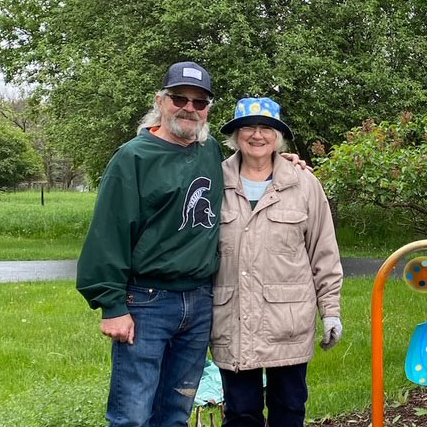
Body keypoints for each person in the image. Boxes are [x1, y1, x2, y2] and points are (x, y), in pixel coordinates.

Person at [77, 61, 223, 427]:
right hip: (146, 301)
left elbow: (254, 166)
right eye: (179, 98)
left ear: (207, 110)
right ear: (161, 101)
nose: (189, 108)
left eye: (199, 102)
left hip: (200, 300)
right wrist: (111, 305)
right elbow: (108, 234)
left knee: (175, 413)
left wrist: (284, 162)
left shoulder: (211, 152)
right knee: (132, 415)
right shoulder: (133, 157)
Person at [211, 97, 343, 427]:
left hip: (289, 324)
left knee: (289, 409)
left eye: (266, 128)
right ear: (235, 135)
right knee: (241, 412)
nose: (257, 135)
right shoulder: (212, 181)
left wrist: (331, 312)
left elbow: (323, 253)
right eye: (248, 128)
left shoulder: (304, 184)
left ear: (278, 137)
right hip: (233, 321)